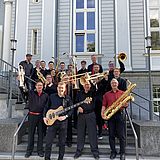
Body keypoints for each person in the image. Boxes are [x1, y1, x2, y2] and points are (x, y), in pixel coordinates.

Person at [43, 82, 73, 160]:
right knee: (48, 142)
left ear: (65, 89)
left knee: (62, 143)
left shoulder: (68, 98)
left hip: (63, 123)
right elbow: (46, 107)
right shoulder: (52, 96)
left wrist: (65, 116)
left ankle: (60, 158)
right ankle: (47, 158)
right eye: (59, 88)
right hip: (51, 122)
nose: (60, 89)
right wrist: (44, 117)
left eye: (62, 88)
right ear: (57, 88)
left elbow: (71, 110)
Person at [101, 79, 127, 160]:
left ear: (118, 84)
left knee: (121, 135)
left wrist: (124, 104)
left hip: (119, 114)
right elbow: (104, 105)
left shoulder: (122, 93)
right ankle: (113, 152)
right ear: (110, 84)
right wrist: (102, 113)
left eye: (115, 83)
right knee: (111, 135)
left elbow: (126, 104)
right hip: (110, 116)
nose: (114, 84)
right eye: (112, 83)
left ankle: (122, 153)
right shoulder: (106, 94)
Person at [74, 81, 99, 160]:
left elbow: (95, 88)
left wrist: (90, 80)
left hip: (91, 115)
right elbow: (76, 102)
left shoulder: (93, 93)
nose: (87, 86)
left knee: (92, 134)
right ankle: (78, 151)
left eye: (88, 84)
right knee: (80, 134)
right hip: (81, 116)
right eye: (85, 84)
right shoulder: (79, 93)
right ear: (83, 85)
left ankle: (95, 152)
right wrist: (78, 107)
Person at [25, 81, 49, 158]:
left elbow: (46, 107)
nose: (39, 87)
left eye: (41, 85)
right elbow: (23, 91)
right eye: (38, 85)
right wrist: (21, 81)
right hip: (32, 116)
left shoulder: (46, 95)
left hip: (41, 117)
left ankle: (40, 151)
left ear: (43, 86)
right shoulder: (31, 93)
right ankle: (29, 151)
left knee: (40, 135)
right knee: (31, 134)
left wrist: (44, 116)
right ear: (35, 86)